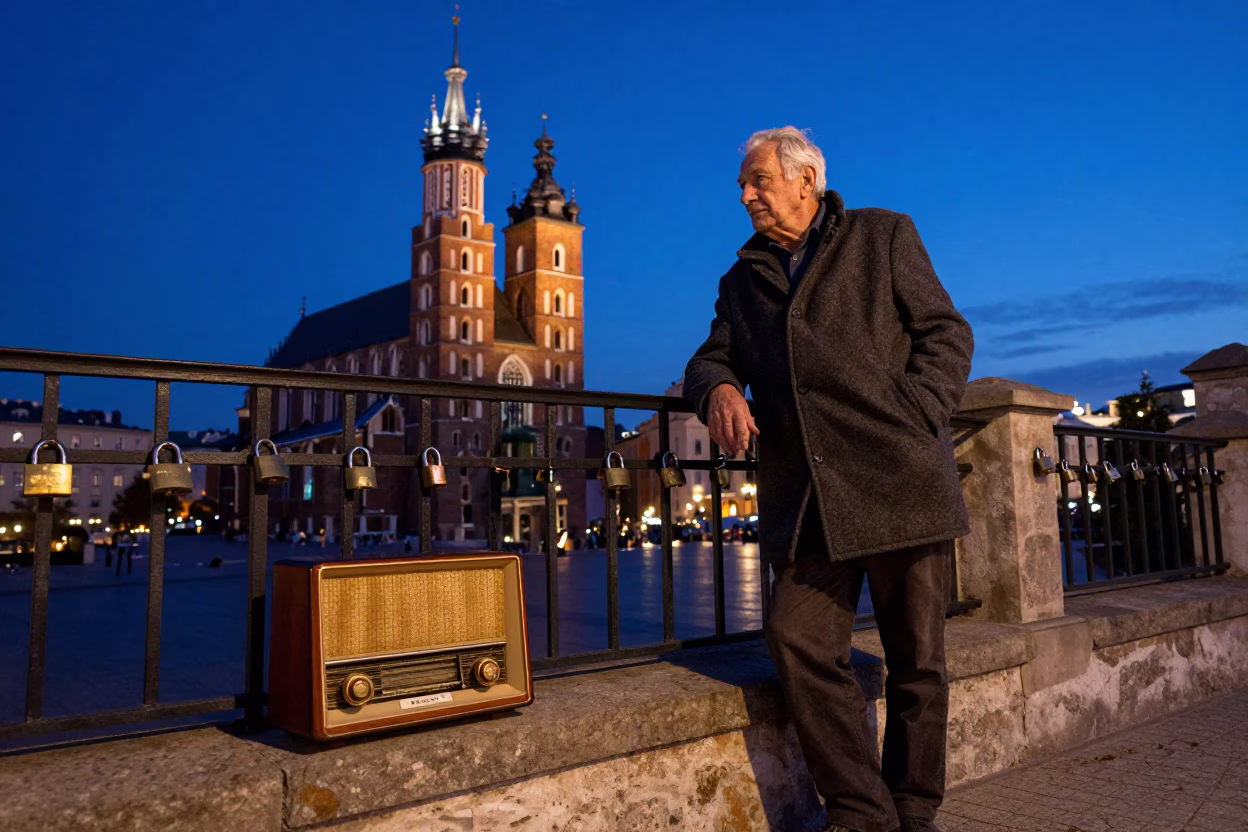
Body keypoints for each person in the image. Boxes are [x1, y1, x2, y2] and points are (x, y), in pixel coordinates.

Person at [683, 127, 973, 832]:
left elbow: (947, 334)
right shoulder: (742, 279)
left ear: (805, 181)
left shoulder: (882, 235)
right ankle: (862, 811)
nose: (747, 195)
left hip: (901, 479)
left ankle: (913, 807)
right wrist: (718, 389)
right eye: (744, 186)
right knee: (797, 639)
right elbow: (707, 358)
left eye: (759, 181)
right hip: (810, 499)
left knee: (918, 662)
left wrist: (917, 414)